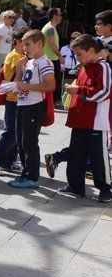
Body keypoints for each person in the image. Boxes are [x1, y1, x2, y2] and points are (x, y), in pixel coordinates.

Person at [57, 34, 111, 203]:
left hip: (96, 121)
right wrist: (77, 89)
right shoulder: (85, 67)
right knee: (76, 154)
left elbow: (104, 92)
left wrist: (79, 90)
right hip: (80, 119)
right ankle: (75, 185)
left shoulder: (104, 68)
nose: (78, 58)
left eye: (80, 54)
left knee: (98, 157)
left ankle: (105, 189)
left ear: (91, 51)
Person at [9, 29, 56, 189]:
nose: (25, 48)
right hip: (23, 105)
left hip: (34, 106)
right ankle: (25, 172)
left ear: (39, 44)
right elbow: (20, 84)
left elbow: (51, 85)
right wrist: (18, 72)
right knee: (21, 142)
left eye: (28, 45)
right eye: (24, 44)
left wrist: (25, 85)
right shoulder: (29, 62)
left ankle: (33, 177)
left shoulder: (44, 62)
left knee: (29, 142)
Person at [0, 27, 28, 175]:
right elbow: (17, 78)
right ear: (18, 41)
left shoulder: (22, 55)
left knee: (17, 132)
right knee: (10, 131)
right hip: (13, 99)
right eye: (26, 42)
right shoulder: (15, 56)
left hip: (19, 99)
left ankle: (9, 161)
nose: (28, 46)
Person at [42, 8, 64, 107]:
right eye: (60, 15)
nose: (61, 17)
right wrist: (60, 56)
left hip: (51, 59)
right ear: (54, 16)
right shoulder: (50, 28)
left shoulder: (51, 27)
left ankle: (52, 102)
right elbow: (51, 43)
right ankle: (53, 102)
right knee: (54, 82)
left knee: (54, 81)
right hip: (50, 60)